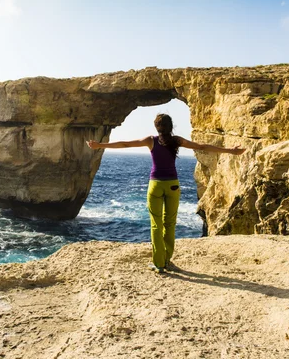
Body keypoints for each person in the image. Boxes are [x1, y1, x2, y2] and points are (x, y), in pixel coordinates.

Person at [86, 114, 245, 273]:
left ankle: (159, 263)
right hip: (173, 186)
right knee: (170, 223)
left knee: (156, 225)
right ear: (171, 126)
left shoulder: (151, 140)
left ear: (156, 127)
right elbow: (202, 146)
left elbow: (126, 144)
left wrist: (100, 145)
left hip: (155, 185)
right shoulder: (176, 141)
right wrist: (231, 150)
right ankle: (167, 259)